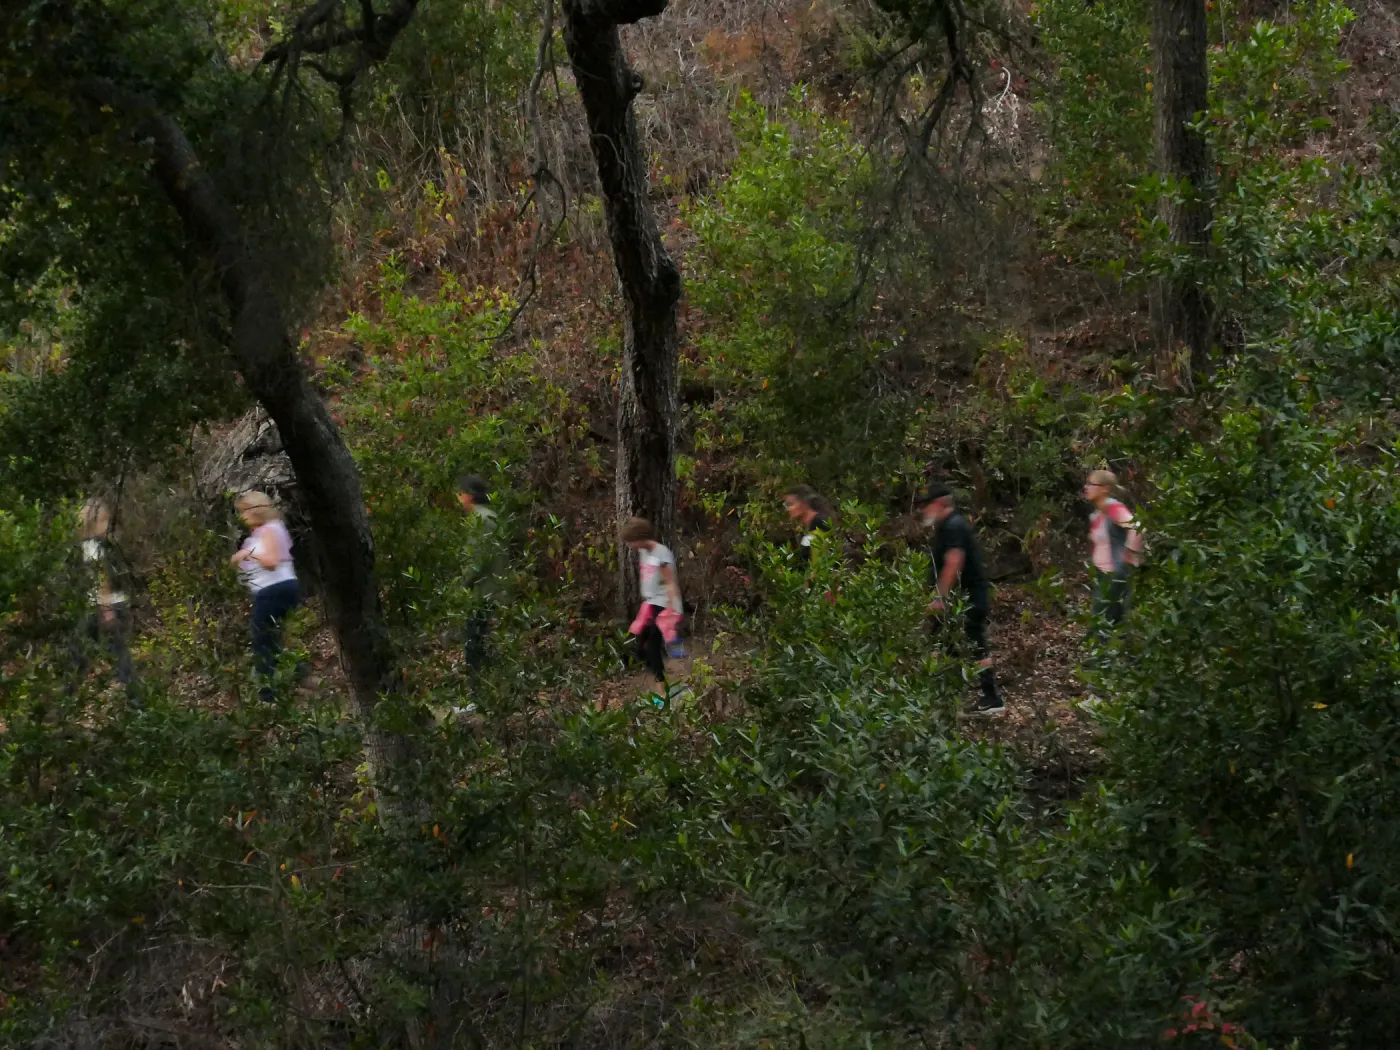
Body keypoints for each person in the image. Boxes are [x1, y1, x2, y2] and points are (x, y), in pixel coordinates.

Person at [917, 484, 1004, 716]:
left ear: (938, 504)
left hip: (966, 598)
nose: (924, 511)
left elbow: (954, 561)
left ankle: (990, 697)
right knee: (946, 646)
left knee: (973, 646)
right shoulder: (948, 526)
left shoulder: (954, 526)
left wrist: (939, 597)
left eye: (927, 506)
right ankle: (947, 699)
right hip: (959, 599)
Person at [229, 491, 301, 701]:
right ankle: (301, 676)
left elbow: (271, 561)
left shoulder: (271, 529)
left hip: (274, 589)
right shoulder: (258, 534)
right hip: (269, 590)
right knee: (271, 641)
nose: (242, 517)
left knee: (262, 643)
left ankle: (268, 698)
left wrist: (246, 554)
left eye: (244, 512)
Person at [71, 498, 138, 699]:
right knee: (116, 650)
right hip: (108, 604)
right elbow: (104, 576)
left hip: (103, 604)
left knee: (86, 648)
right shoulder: (99, 545)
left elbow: (102, 576)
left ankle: (131, 694)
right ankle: (132, 693)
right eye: (104, 521)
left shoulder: (93, 545)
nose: (107, 526)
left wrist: (106, 606)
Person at [621, 516, 685, 688]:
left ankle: (662, 691)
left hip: (664, 604)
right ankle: (665, 672)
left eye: (631, 541)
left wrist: (670, 611)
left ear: (640, 537)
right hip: (651, 604)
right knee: (642, 647)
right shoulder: (644, 552)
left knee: (651, 648)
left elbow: (670, 582)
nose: (630, 546)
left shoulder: (661, 553)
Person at [457, 473, 505, 673]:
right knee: (482, 642)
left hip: (482, 591)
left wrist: (462, 583)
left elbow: (478, 560)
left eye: (460, 493)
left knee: (474, 645)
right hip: (491, 588)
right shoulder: (489, 515)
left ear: (469, 495)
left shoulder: (481, 520)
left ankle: (476, 694)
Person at [1083, 469, 1143, 630]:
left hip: (1114, 574)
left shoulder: (1113, 508)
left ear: (1105, 488)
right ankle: (1121, 652)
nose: (1086, 487)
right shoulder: (1098, 512)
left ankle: (1105, 654)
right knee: (1114, 621)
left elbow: (1137, 528)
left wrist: (1130, 555)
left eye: (1091, 484)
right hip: (1103, 574)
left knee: (1101, 621)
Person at [783, 484, 832, 566]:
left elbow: (819, 565)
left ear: (804, 503)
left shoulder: (818, 523)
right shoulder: (809, 526)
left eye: (790, 504)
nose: (787, 510)